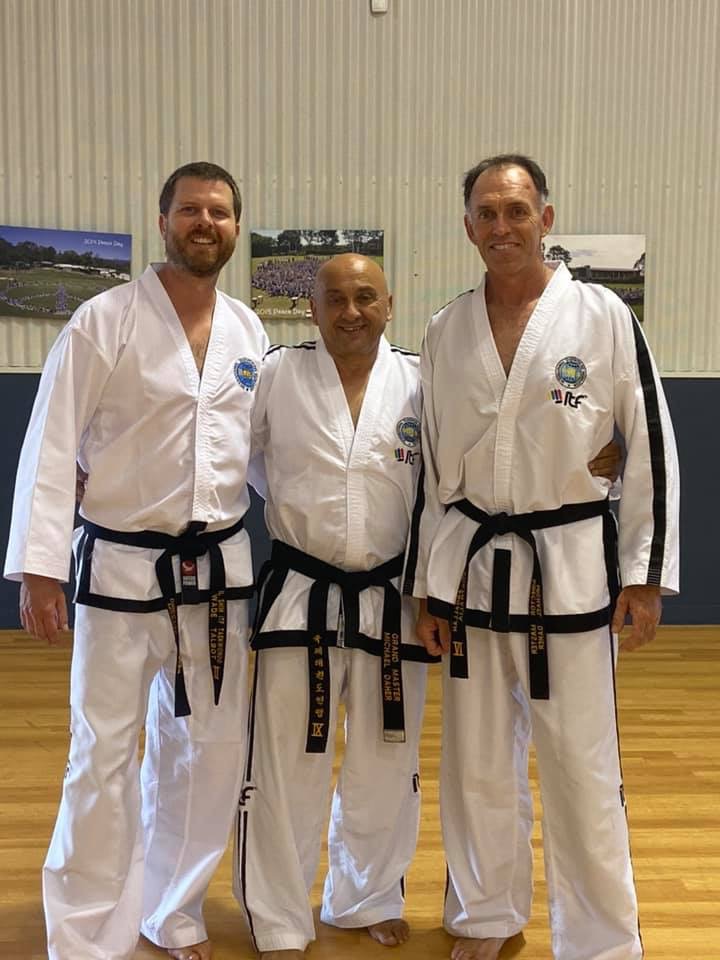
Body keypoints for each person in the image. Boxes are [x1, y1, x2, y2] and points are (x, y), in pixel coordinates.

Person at [408, 154, 679, 960]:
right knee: (477, 762)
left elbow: (650, 447)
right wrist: (428, 589)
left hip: (569, 567)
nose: (502, 227)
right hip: (471, 565)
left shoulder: (600, 317)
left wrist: (644, 575)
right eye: (486, 214)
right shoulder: (444, 328)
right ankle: (486, 915)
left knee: (580, 766)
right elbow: (430, 477)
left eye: (516, 211)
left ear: (546, 219)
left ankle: (599, 939)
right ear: (468, 228)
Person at [4, 161, 269, 960]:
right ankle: (86, 935)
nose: (206, 222)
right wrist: (41, 570)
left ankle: (173, 911)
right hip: (120, 570)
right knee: (103, 755)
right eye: (191, 209)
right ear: (163, 222)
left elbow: (262, 455)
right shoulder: (104, 319)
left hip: (218, 577)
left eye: (220, 212)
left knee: (210, 752)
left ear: (234, 228)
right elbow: (52, 444)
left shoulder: (248, 331)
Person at [233, 253, 434, 958]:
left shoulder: (418, 381)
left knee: (386, 760)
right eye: (336, 299)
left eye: (366, 297)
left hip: (392, 600)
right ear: (310, 307)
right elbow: (231, 460)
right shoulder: (275, 374)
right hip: (300, 594)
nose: (351, 311)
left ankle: (365, 897)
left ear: (389, 304)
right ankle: (279, 914)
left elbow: (448, 483)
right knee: (286, 763)